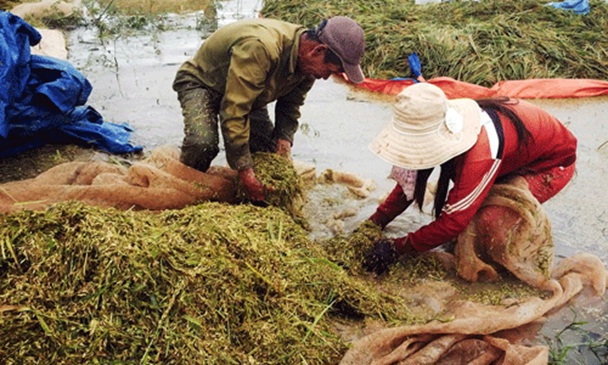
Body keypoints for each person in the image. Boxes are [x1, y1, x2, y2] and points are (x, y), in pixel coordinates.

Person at [363, 83, 577, 275]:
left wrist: (397, 247)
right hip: (511, 156)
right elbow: (408, 185)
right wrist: (373, 224)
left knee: (489, 222)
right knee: (464, 219)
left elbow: (452, 223)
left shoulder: (481, 152)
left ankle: (499, 271)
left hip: (549, 165)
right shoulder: (433, 117)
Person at [172, 16, 365, 204]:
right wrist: (244, 170)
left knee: (267, 152)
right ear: (318, 51)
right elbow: (234, 110)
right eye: (330, 70)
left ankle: (252, 199)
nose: (325, 77)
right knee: (203, 143)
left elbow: (290, 106)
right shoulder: (262, 48)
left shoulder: (307, 65)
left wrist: (284, 139)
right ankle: (184, 192)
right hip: (203, 84)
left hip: (249, 93)